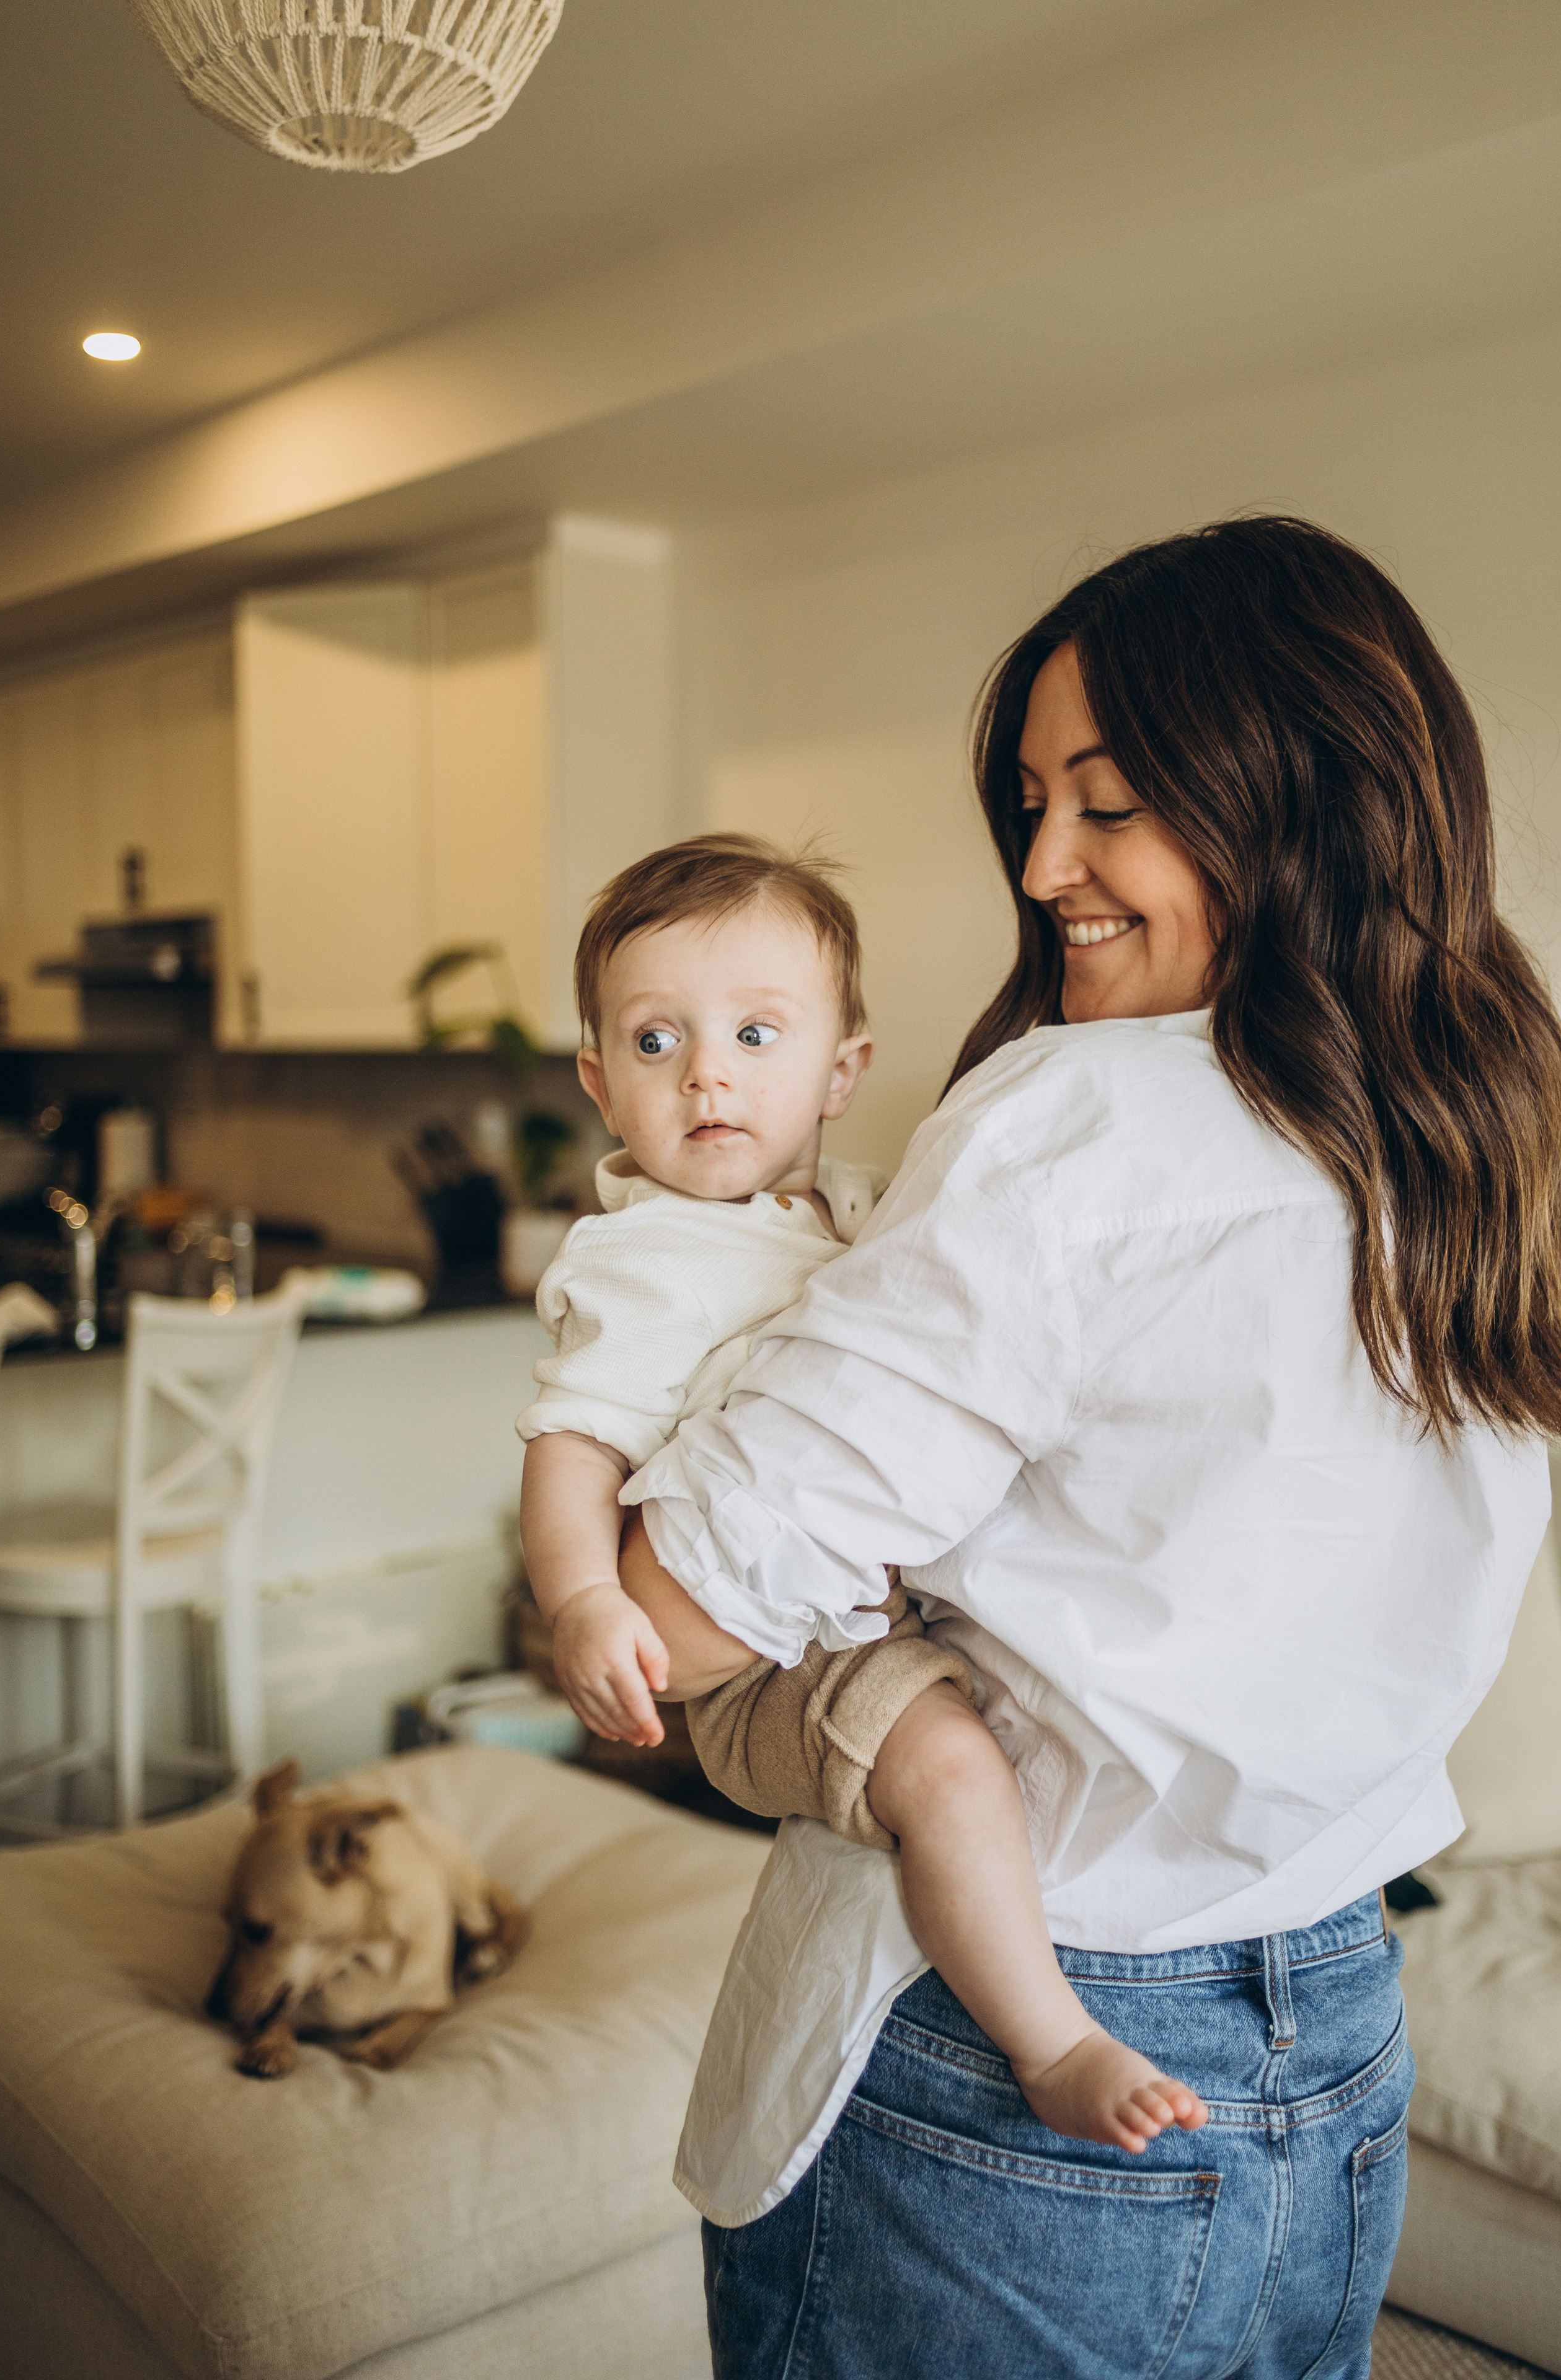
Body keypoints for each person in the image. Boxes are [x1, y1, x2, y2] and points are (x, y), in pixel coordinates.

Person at [608, 519, 1561, 2378]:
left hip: (1015, 2045)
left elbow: (684, 1614)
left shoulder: (1081, 1118)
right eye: (1034, 804)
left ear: (1291, 796)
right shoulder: (1489, 1118)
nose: (1044, 868)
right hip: (1344, 2023)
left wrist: (602, 1503)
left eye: (1109, 803)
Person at [518, 831, 1206, 2151]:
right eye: (657, 1044)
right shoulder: (636, 1260)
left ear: (842, 1069)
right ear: (602, 1085)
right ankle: (1050, 2038)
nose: (708, 1070)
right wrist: (583, 1602)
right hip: (757, 1665)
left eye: (756, 1035)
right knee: (948, 1768)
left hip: (859, 1607)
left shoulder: (862, 1205)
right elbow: (572, 1449)